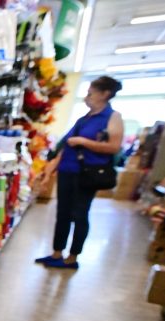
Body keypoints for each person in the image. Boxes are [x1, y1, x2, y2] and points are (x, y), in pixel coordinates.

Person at [35, 76, 124, 269]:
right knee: (62, 213)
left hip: (87, 174)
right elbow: (65, 146)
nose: (87, 97)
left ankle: (73, 257)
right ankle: (57, 253)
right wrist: (49, 172)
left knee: (80, 214)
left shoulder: (112, 117)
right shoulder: (84, 119)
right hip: (68, 170)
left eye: (91, 93)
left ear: (105, 94)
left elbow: (114, 146)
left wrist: (84, 142)